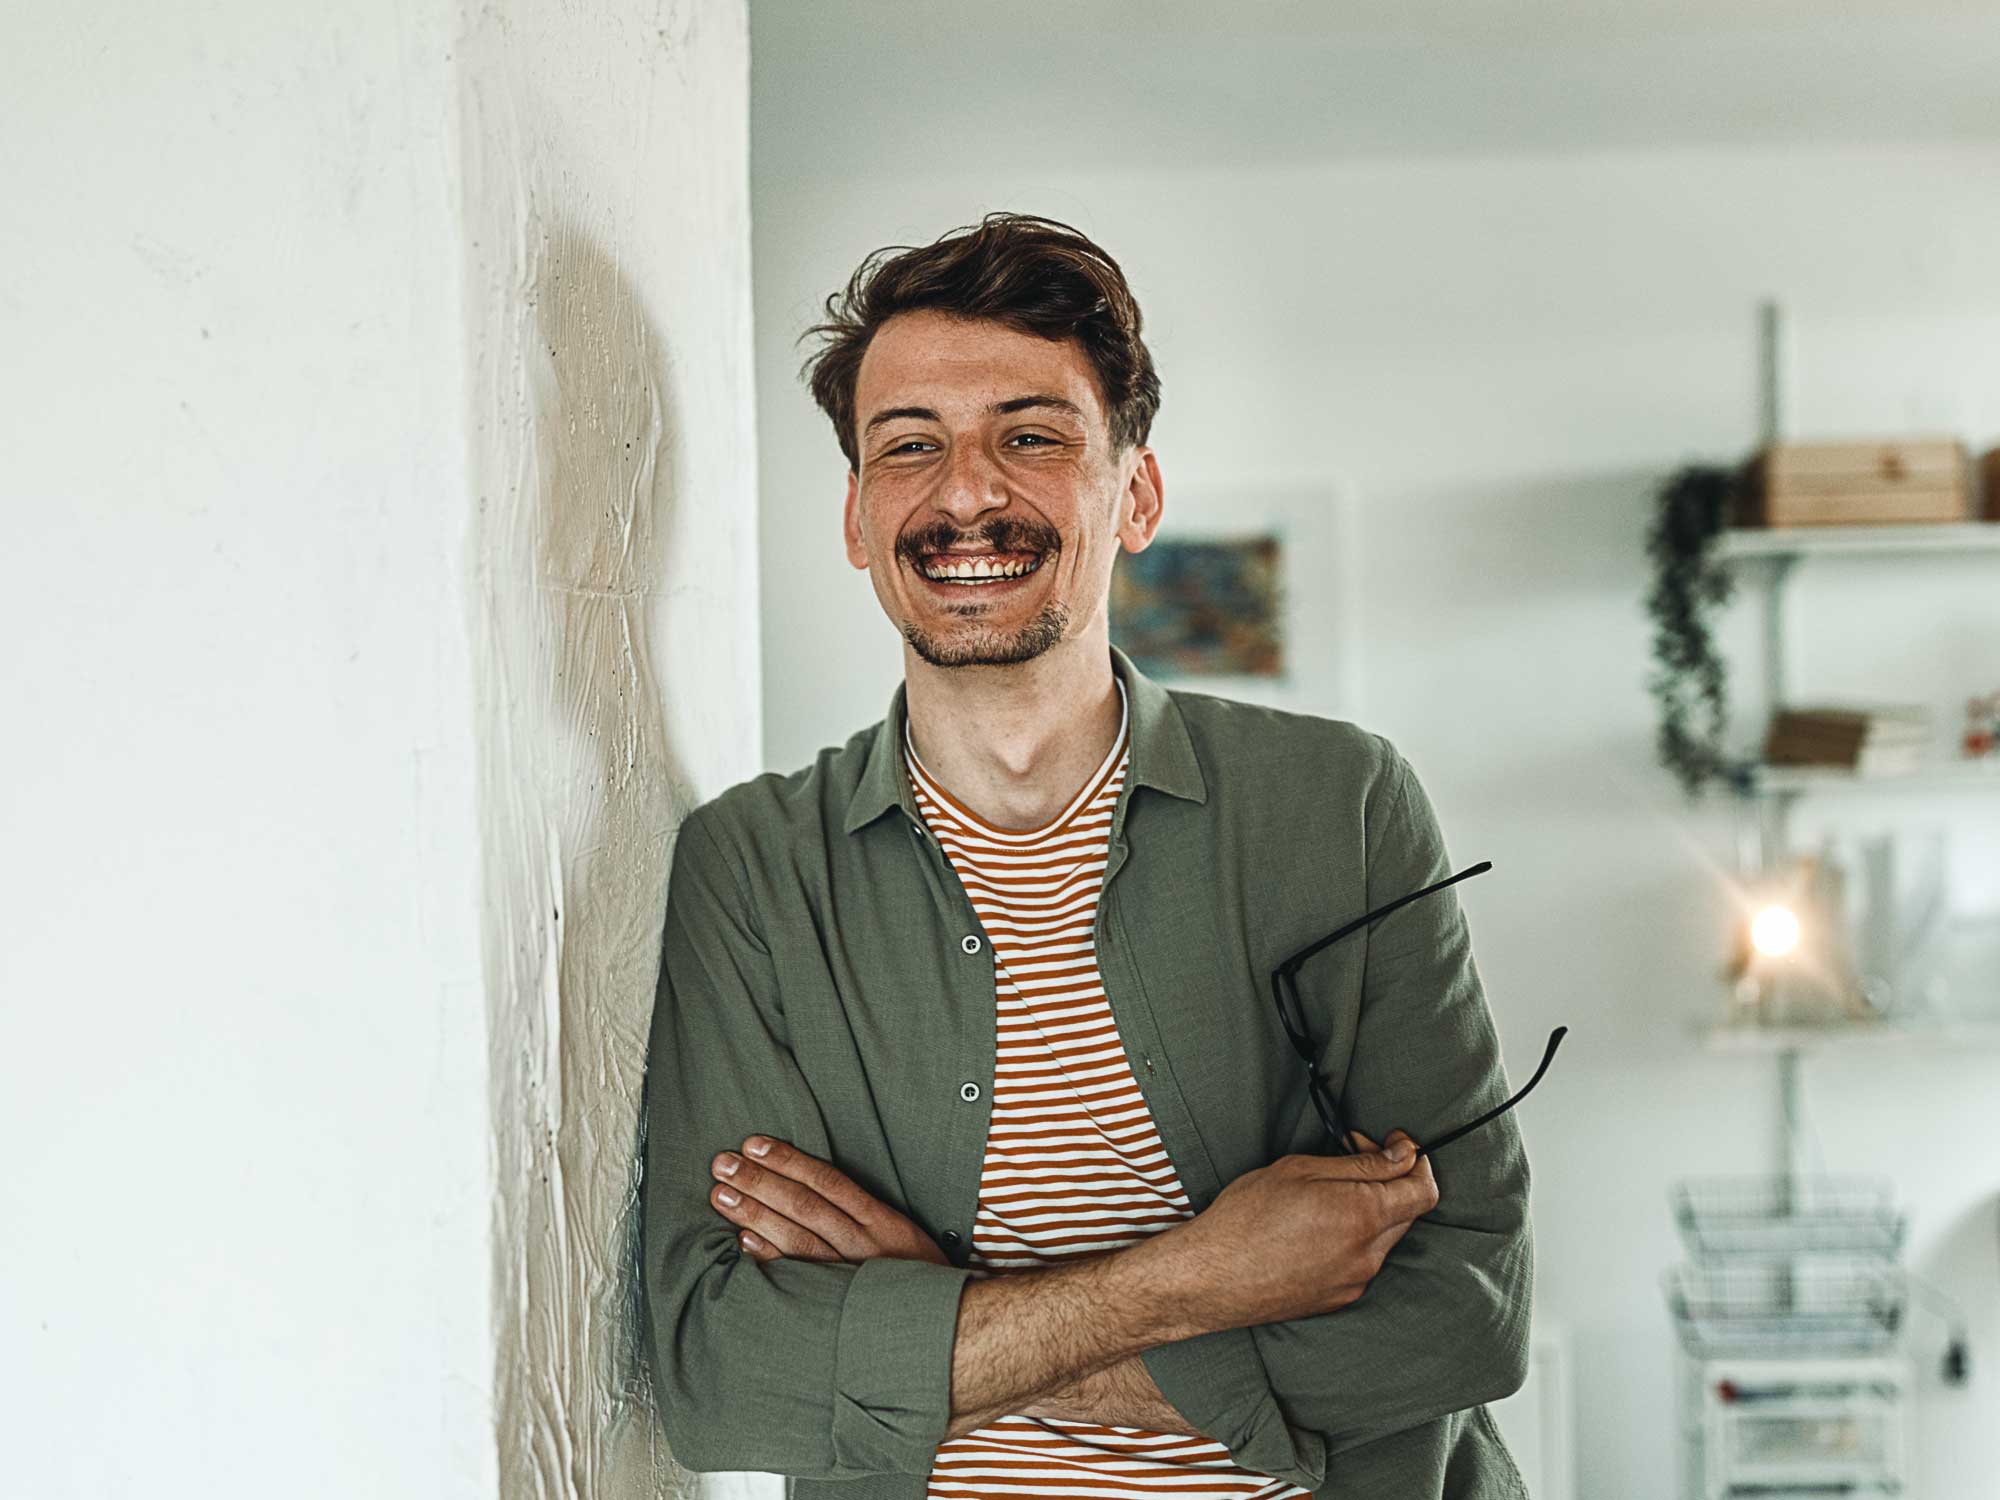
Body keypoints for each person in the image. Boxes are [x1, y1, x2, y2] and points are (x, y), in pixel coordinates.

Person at [640, 212, 1533, 1500]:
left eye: (1031, 436)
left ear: (1136, 493)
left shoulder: (1339, 807)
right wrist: (1196, 1280)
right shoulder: (755, 872)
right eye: (910, 447)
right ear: (853, 517)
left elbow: (1467, 1309)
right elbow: (722, 1379)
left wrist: (934, 1317)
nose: (965, 493)